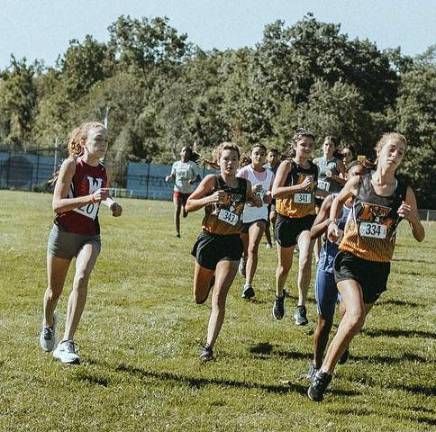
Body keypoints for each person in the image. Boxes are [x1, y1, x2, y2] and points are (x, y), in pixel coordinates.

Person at [308, 132, 425, 402]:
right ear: (380, 151)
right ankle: (324, 373)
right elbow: (337, 200)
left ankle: (343, 334)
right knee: (356, 315)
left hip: (379, 266)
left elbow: (420, 235)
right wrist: (335, 224)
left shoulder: (403, 190)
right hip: (350, 257)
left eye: (401, 153)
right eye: (392, 150)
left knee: (350, 317)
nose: (396, 156)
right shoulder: (360, 181)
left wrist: (412, 220)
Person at [39, 122, 123, 364]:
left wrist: (111, 204)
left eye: (106, 140)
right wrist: (91, 198)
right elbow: (57, 205)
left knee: (82, 277)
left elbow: (101, 195)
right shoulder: (71, 165)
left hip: (89, 235)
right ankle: (48, 322)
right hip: (64, 233)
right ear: (84, 142)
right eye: (98, 139)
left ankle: (66, 342)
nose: (103, 144)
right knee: (53, 292)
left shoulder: (103, 171)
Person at [186, 142, 261, 361]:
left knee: (219, 297)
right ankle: (208, 281)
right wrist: (209, 198)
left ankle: (208, 347)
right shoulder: (212, 181)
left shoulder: (243, 185)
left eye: (234, 159)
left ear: (239, 162)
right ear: (218, 161)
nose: (230, 163)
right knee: (200, 298)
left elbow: (254, 201)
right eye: (225, 159)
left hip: (231, 244)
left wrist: (256, 198)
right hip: (208, 241)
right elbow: (188, 205)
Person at [307, 162, 367, 380]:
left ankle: (342, 342)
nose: (359, 180)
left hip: (352, 268)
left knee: (348, 313)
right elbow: (312, 232)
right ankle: (315, 363)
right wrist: (330, 225)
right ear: (346, 178)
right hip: (328, 264)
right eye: (355, 175)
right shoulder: (332, 201)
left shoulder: (369, 204)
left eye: (363, 176)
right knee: (324, 320)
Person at [271, 129, 318, 325]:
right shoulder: (287, 165)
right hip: (286, 220)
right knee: (284, 267)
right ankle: (279, 295)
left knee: (306, 257)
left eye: (310, 145)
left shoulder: (314, 169)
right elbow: (275, 192)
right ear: (295, 146)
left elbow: (312, 192)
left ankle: (301, 307)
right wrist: (299, 187)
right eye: (303, 144)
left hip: (306, 219)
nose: (306, 148)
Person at [237, 143, 274, 299]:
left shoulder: (270, 174)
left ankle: (248, 285)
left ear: (266, 157)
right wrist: (251, 193)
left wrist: (268, 197)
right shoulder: (244, 172)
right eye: (256, 153)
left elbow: (271, 193)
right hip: (242, 216)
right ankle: (243, 260)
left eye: (262, 154)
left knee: (253, 248)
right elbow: (236, 193)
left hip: (260, 215)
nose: (259, 157)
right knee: (245, 250)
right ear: (251, 155)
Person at [165, 147, 201, 238]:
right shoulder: (176, 164)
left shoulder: (192, 165)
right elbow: (173, 175)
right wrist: (169, 177)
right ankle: (177, 232)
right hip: (178, 190)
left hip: (188, 192)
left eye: (187, 151)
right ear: (180, 153)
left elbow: (198, 178)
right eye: (183, 150)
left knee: (185, 211)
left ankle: (185, 210)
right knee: (177, 210)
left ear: (189, 154)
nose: (185, 152)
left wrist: (193, 181)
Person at [264, 148, 281, 248]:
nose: (273, 158)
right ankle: (269, 242)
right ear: (267, 157)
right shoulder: (264, 168)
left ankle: (276, 236)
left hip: (276, 196)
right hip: (265, 195)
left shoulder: (280, 167)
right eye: (271, 155)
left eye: (275, 156)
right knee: (265, 221)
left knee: (273, 217)